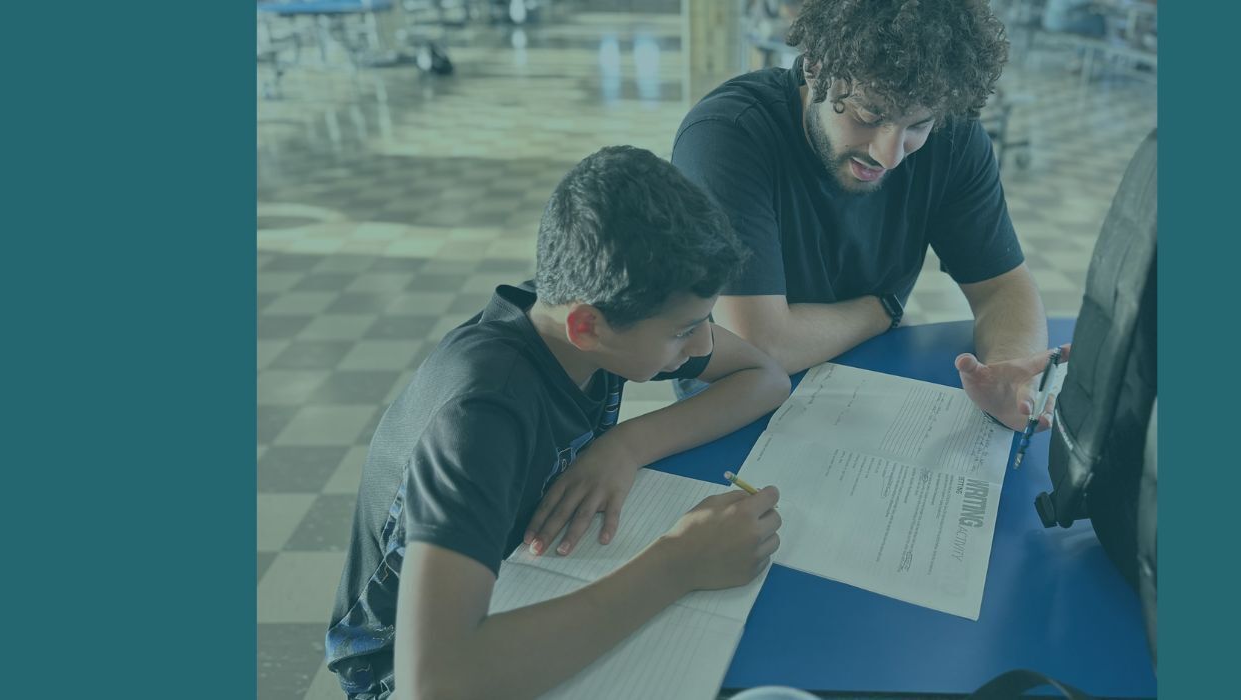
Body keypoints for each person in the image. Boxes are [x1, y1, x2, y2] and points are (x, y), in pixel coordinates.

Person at [324, 146, 790, 700]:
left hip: (519, 586)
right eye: (684, 331)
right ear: (587, 326)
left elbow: (765, 375)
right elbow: (434, 683)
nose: (705, 344)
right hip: (398, 671)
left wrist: (626, 444)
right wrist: (678, 564)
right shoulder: (480, 415)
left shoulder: (591, 315)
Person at [672, 0, 1062, 431]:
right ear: (815, 68)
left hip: (865, 381)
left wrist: (1010, 372)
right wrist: (882, 310)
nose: (889, 155)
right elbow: (760, 343)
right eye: (869, 115)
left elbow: (1002, 288)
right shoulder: (726, 137)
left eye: (917, 125)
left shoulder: (953, 141)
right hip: (737, 401)